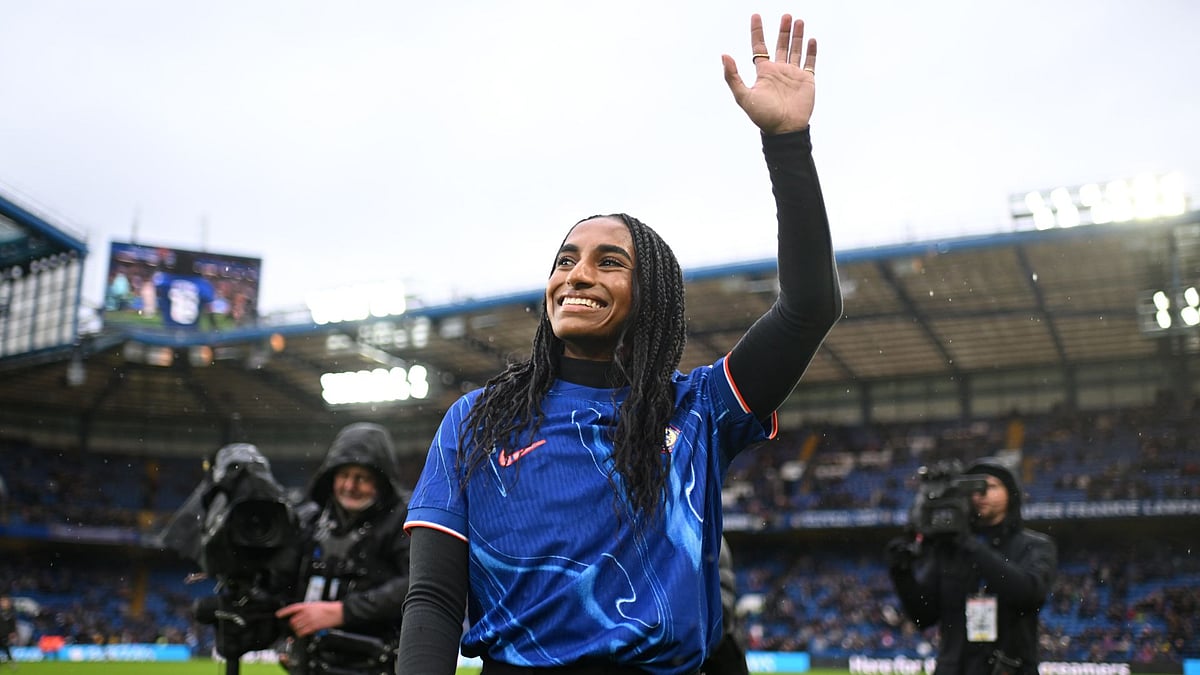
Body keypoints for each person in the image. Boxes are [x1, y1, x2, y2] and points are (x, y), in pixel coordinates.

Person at [397, 12, 841, 674]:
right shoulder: (476, 420)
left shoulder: (700, 408)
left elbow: (810, 307)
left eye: (608, 261)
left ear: (652, 294)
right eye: (566, 259)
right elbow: (433, 598)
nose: (578, 274)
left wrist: (788, 144)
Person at [886, 458, 1058, 675]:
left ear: (1011, 493)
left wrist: (971, 545)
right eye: (974, 487)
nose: (981, 493)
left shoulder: (1035, 545)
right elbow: (924, 617)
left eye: (992, 486)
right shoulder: (950, 548)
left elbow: (1029, 594)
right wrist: (901, 573)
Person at [275, 423, 410, 674]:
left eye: (362, 478)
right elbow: (286, 579)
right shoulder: (310, 520)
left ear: (381, 482)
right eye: (344, 475)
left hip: (376, 661)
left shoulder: (405, 519)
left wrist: (343, 612)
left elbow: (416, 582)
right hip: (312, 662)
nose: (350, 486)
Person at [0, 596, 16, 668]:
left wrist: (12, 632)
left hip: (4, 634)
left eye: (5, 602)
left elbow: (12, 624)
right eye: (2, 602)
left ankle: (11, 662)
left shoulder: (10, 613)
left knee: (6, 648)